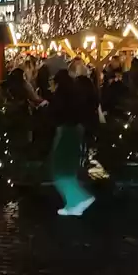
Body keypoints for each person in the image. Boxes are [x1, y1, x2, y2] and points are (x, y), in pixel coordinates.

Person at [49, 69, 95, 216]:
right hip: (75, 130)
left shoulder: (61, 96)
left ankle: (80, 198)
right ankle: (73, 204)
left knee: (60, 170)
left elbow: (56, 114)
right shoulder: (75, 94)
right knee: (67, 169)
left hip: (65, 130)